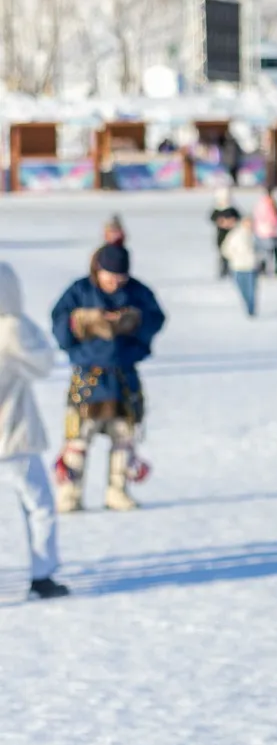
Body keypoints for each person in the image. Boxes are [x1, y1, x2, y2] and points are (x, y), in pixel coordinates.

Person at [51, 245, 165, 513]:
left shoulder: (137, 292)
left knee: (124, 437)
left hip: (123, 377)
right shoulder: (80, 291)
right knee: (78, 438)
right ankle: (69, 494)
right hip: (88, 377)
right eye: (109, 275)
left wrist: (135, 334)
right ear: (98, 269)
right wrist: (82, 330)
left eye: (120, 277)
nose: (114, 282)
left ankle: (117, 491)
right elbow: (59, 323)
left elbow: (155, 319)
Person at [0, 263, 67, 598]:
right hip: (12, 436)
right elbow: (43, 363)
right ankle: (42, 575)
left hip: (13, 435)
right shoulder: (12, 329)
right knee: (38, 504)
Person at [222, 215, 261, 317]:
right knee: (242, 289)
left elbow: (262, 250)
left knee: (251, 290)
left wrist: (258, 259)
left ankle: (251, 310)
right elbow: (226, 249)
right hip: (238, 267)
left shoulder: (255, 236)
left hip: (251, 267)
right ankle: (247, 306)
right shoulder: (235, 234)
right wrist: (234, 257)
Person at [210, 189, 242, 278]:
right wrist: (221, 221)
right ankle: (223, 270)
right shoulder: (217, 209)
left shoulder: (232, 209)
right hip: (221, 235)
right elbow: (212, 218)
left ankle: (232, 270)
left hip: (232, 235)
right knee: (223, 254)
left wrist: (232, 221)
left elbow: (239, 218)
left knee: (232, 254)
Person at [253, 190, 277, 277]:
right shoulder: (261, 205)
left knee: (275, 253)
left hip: (273, 232)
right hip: (263, 233)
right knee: (264, 253)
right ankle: (263, 269)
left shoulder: (275, 205)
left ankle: (276, 269)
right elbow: (259, 218)